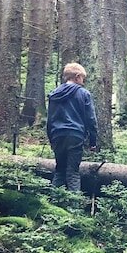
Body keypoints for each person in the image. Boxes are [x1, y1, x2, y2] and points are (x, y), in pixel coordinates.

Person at [46, 62, 98, 191]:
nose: (83, 82)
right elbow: (91, 119)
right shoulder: (83, 94)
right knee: (73, 172)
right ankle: (74, 202)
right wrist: (93, 141)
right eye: (83, 78)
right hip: (75, 135)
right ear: (77, 76)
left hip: (57, 135)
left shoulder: (55, 94)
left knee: (59, 170)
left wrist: (51, 139)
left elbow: (50, 119)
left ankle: (53, 200)